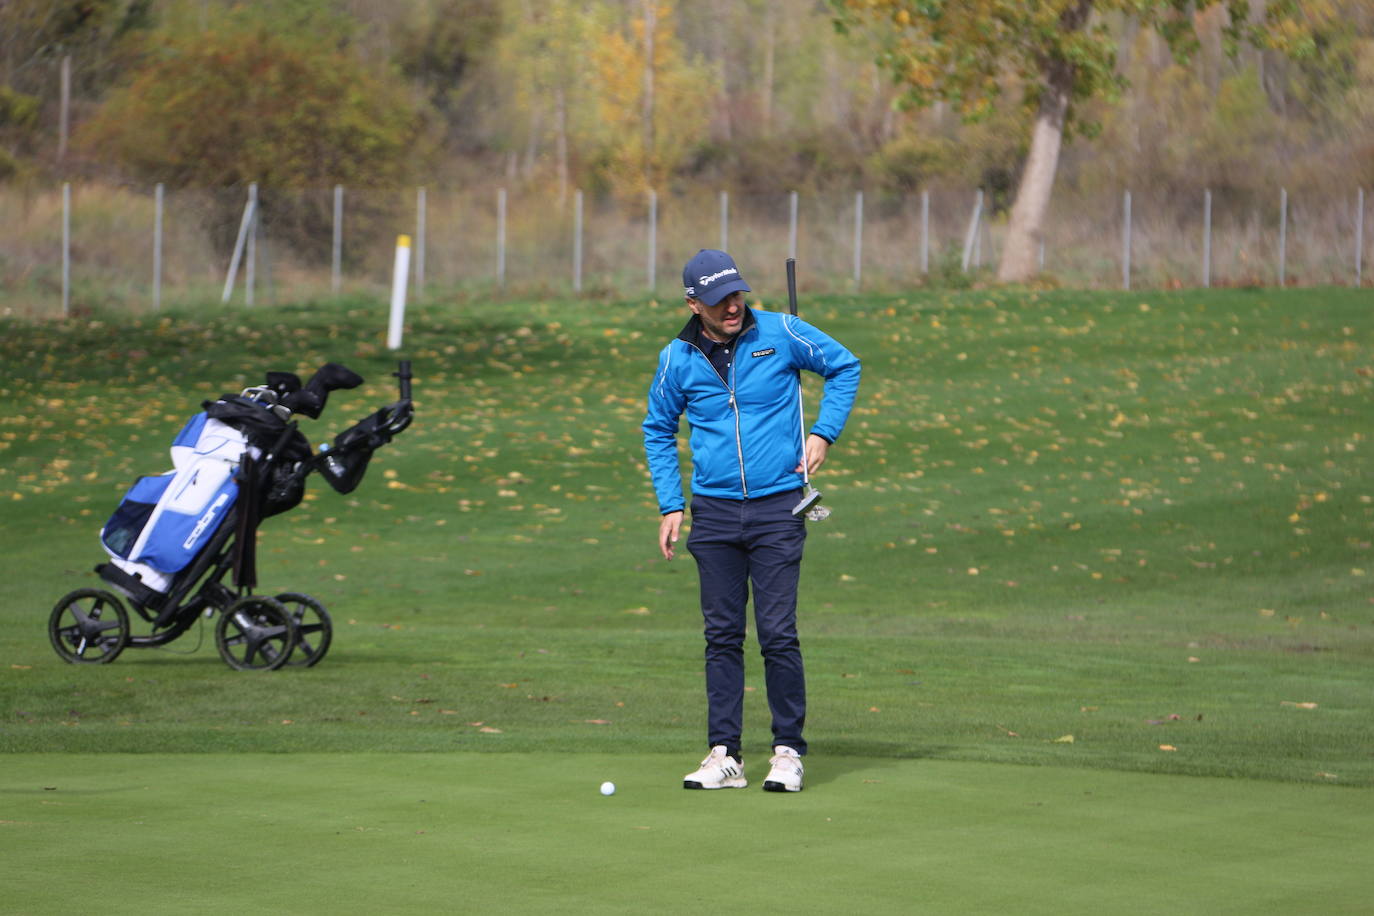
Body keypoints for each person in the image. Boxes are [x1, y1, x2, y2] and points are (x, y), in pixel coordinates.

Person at [642, 249, 861, 792]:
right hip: (713, 513)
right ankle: (726, 754)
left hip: (779, 507)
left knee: (777, 633)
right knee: (721, 636)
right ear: (695, 304)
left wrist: (823, 433)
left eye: (737, 293)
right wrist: (672, 504)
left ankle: (787, 751)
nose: (733, 306)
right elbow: (658, 428)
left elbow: (845, 366)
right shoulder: (677, 358)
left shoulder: (783, 331)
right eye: (719, 300)